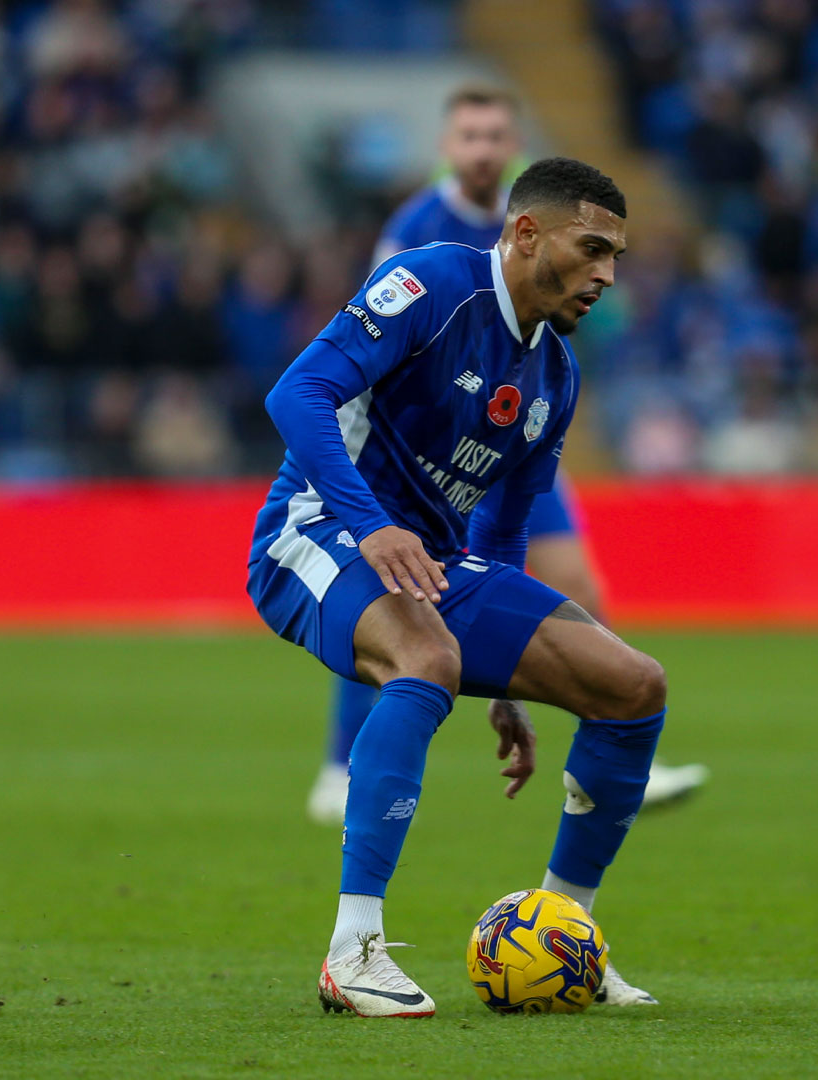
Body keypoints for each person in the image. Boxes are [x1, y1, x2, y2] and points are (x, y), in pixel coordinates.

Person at [249, 157, 665, 1017]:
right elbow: (298, 394)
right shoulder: (432, 281)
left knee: (631, 687)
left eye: (615, 258)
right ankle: (352, 950)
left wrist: (510, 685)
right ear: (525, 233)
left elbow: (505, 532)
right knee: (426, 655)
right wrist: (372, 524)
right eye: (591, 250)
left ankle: (564, 934)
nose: (606, 277)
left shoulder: (556, 375)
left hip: (429, 564)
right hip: (315, 531)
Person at [306, 85, 705, 828]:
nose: (484, 149)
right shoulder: (418, 232)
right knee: (386, 589)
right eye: (470, 136)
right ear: (447, 150)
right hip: (432, 431)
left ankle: (615, 745)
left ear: (514, 147)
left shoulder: (556, 220)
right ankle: (339, 760)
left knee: (578, 579)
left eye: (497, 136)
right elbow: (365, 348)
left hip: (512, 428)